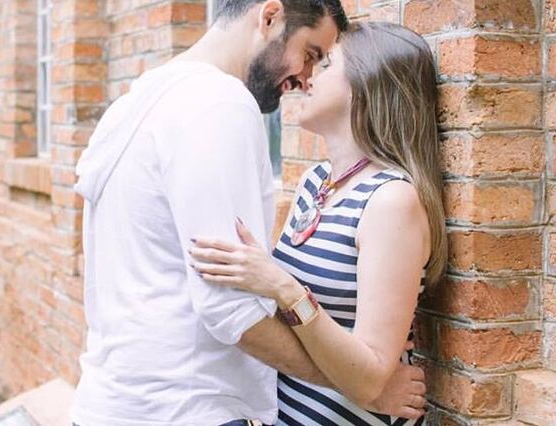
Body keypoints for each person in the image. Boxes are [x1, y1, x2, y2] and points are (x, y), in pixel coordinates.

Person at [71, 0, 427, 426]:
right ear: (270, 18)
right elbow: (228, 309)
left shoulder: (135, 101)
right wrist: (364, 387)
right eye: (310, 52)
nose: (305, 77)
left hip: (109, 403)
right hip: (181, 410)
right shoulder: (219, 104)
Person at [189, 21, 446, 425]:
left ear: (367, 84)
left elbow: (372, 378)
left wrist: (281, 285)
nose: (307, 77)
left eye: (326, 65)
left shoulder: (391, 201)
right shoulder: (315, 182)